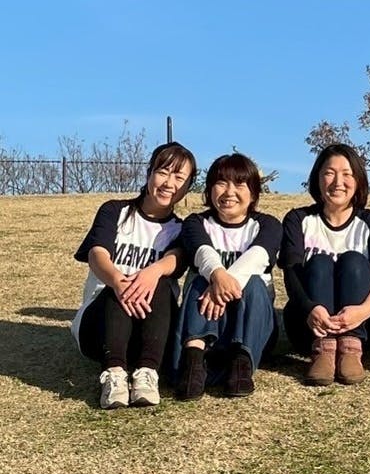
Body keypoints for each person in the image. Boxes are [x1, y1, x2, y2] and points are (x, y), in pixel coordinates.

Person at [72, 142, 197, 409]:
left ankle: (147, 374)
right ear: (149, 173)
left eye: (179, 177)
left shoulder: (182, 229)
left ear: (188, 186)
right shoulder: (114, 211)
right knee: (120, 284)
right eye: (163, 172)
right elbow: (96, 254)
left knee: (156, 282)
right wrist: (119, 282)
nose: (169, 183)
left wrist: (152, 272)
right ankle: (114, 374)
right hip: (100, 329)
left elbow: (175, 259)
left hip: (150, 335)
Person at [279, 143, 370, 386]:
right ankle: (324, 349)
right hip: (308, 324)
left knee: (353, 260)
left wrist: (362, 312)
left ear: (358, 180)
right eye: (329, 173)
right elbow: (291, 274)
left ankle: (351, 348)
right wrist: (311, 309)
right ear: (317, 178)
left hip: (364, 323)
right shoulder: (298, 219)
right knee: (320, 262)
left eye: (347, 174)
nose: (338, 182)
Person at [172, 153, 281, 399]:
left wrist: (220, 285)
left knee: (253, 282)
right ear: (209, 190)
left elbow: (259, 255)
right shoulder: (195, 223)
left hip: (252, 328)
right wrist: (216, 276)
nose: (229, 191)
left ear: (253, 193)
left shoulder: (268, 225)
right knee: (202, 279)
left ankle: (241, 363)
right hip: (206, 324)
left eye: (240, 184)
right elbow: (202, 252)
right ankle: (193, 360)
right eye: (221, 183)